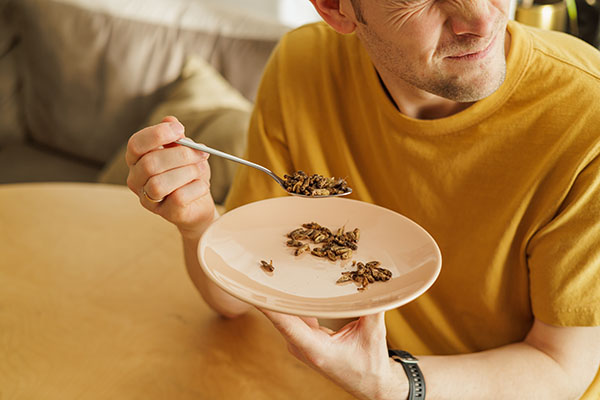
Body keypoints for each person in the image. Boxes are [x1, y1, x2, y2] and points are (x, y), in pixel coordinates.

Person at [126, 0, 600, 398]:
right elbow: (237, 300)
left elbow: (560, 368)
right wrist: (197, 222)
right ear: (336, 8)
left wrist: (389, 383)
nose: (482, 17)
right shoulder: (304, 65)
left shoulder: (586, 114)